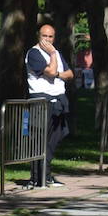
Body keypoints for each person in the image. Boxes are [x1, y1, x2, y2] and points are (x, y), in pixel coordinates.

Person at [25, 22, 73, 187]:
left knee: (55, 138)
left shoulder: (57, 53)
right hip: (41, 101)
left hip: (58, 101)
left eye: (50, 36)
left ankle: (46, 174)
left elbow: (69, 73)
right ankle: (37, 177)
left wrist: (58, 72)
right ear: (39, 36)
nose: (47, 39)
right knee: (39, 140)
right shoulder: (34, 53)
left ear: (54, 37)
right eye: (44, 36)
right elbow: (51, 72)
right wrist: (52, 56)